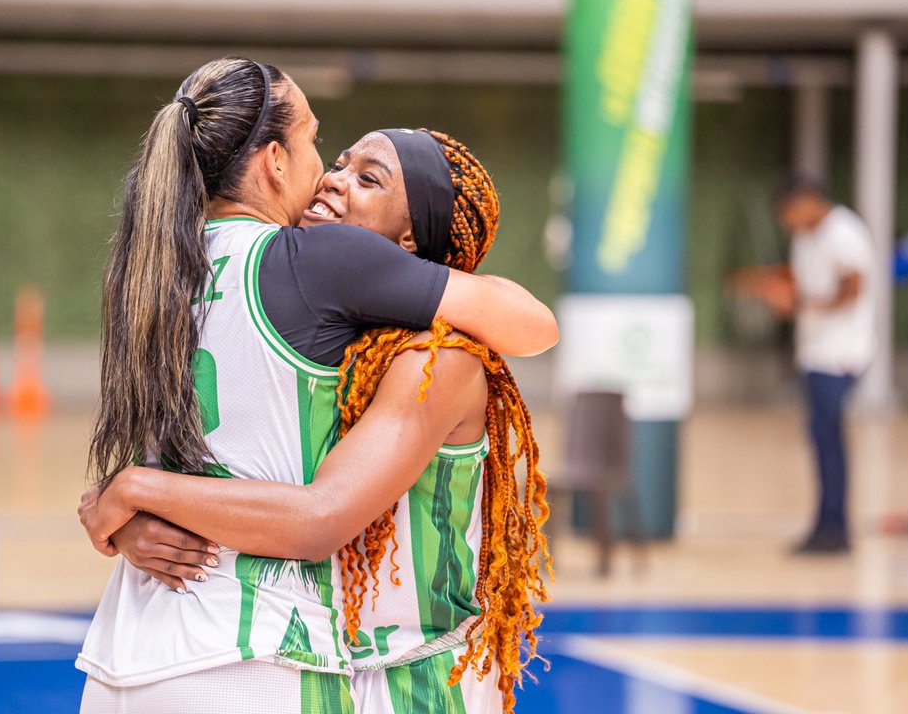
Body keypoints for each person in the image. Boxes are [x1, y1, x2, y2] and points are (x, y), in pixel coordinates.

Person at [76, 58, 558, 712]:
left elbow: (304, 509)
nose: (329, 175)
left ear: (407, 241)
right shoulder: (315, 284)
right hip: (261, 655)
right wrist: (128, 505)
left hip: (405, 675)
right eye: (322, 149)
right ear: (274, 161)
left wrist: (127, 498)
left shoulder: (152, 271)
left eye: (366, 177)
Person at [736, 179, 876, 554]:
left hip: (841, 354)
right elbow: (800, 282)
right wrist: (770, 287)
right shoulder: (805, 238)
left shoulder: (844, 233)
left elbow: (852, 290)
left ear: (810, 201)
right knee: (821, 440)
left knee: (829, 440)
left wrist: (800, 304)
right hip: (815, 352)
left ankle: (835, 530)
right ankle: (826, 524)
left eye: (790, 212)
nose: (788, 222)